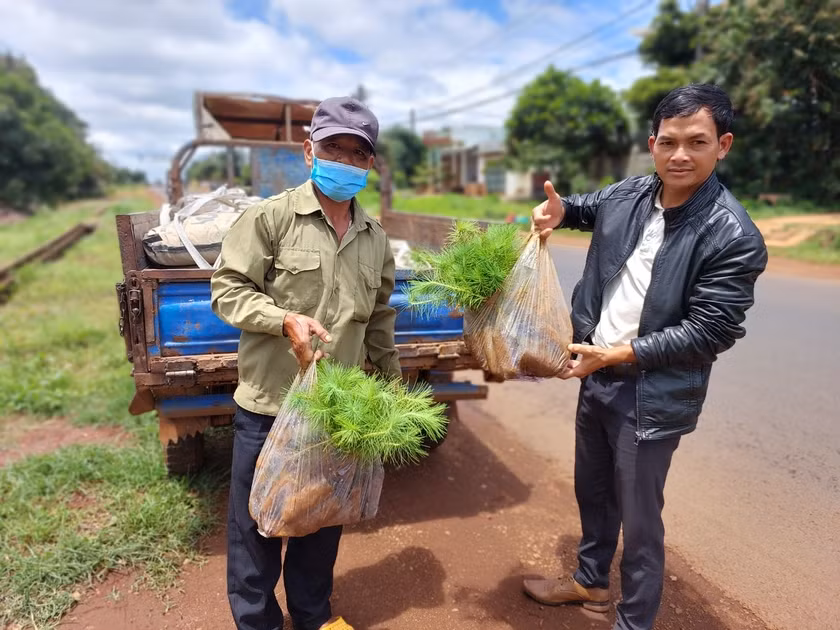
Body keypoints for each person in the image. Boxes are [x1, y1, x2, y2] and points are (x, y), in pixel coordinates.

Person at [524, 84, 768, 630]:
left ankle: (633, 621)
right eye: (669, 141)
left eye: (697, 142)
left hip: (650, 392)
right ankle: (589, 581)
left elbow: (712, 330)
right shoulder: (632, 193)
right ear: (652, 143)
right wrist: (561, 211)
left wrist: (620, 353)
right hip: (597, 374)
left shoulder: (733, 234)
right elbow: (588, 207)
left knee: (639, 519)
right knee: (593, 491)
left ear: (723, 145)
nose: (680, 155)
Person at [211, 96, 401, 630]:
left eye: (357, 154)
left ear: (370, 163)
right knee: (257, 525)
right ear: (308, 151)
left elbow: (379, 318)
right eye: (333, 148)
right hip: (270, 406)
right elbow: (228, 291)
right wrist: (282, 319)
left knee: (320, 519)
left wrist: (391, 389)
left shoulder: (374, 238)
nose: (345, 161)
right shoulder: (270, 218)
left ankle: (313, 616)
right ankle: (258, 622)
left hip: (337, 410)